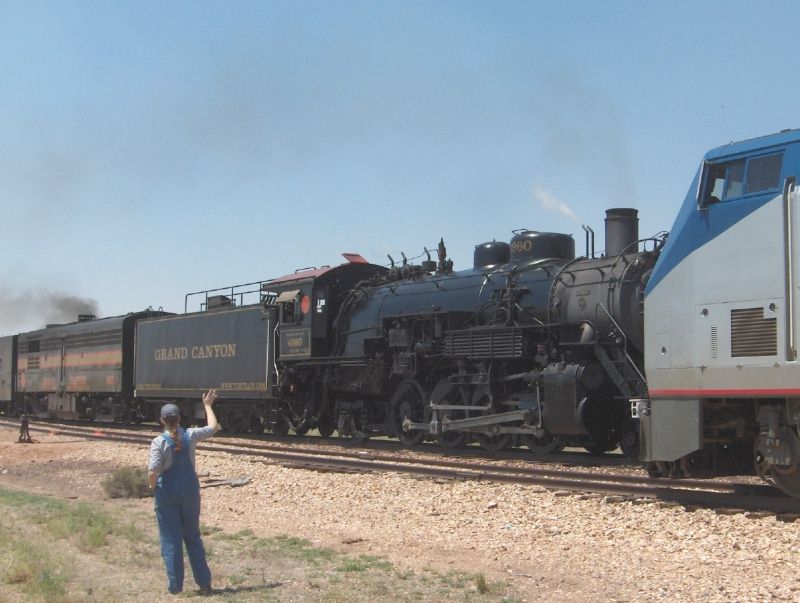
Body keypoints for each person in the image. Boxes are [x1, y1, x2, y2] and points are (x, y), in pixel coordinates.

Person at [148, 389, 220, 595]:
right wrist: (207, 406)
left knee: (171, 540)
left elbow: (153, 472)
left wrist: (152, 486)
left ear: (161, 421)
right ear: (179, 418)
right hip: (190, 492)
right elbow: (213, 427)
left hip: (167, 494)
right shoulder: (191, 435)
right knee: (193, 537)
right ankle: (204, 583)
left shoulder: (159, 442)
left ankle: (175, 586)